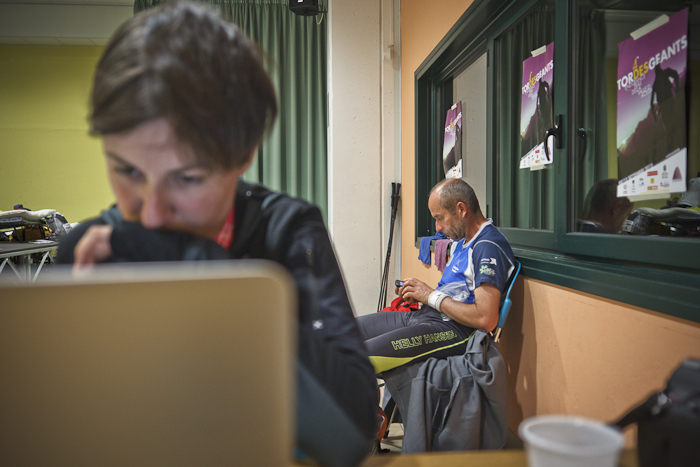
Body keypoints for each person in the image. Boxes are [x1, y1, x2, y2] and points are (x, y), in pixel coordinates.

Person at [55, 3, 377, 465]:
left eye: (187, 178)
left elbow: (351, 433)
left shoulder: (286, 231)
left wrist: (195, 265)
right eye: (127, 170)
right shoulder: (90, 253)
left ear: (244, 154)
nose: (151, 215)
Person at [356, 179, 516, 374]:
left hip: (453, 329)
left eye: (440, 218)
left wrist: (430, 295)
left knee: (355, 360)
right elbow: (452, 294)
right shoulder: (461, 243)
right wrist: (419, 295)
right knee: (340, 332)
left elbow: (485, 318)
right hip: (425, 316)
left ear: (461, 210)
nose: (438, 227)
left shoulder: (487, 246)